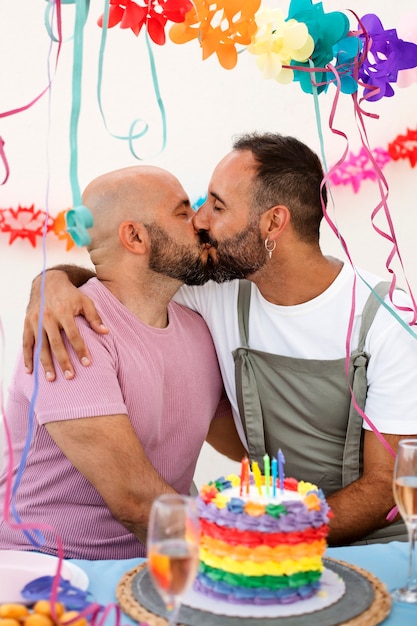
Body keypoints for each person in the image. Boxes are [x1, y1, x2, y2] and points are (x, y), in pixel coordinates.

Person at [23, 133, 417, 546]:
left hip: (377, 541)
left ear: (273, 223)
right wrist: (52, 282)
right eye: (195, 206)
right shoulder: (218, 291)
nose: (201, 220)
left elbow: (384, 486)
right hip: (269, 535)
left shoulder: (388, 321)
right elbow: (128, 278)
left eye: (217, 205)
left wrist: (264, 541)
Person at [0, 165, 246, 559]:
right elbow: (136, 501)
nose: (201, 222)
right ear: (135, 236)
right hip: (53, 568)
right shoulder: (69, 330)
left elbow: (240, 445)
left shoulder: (198, 331)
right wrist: (256, 554)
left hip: (155, 561)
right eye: (183, 212)